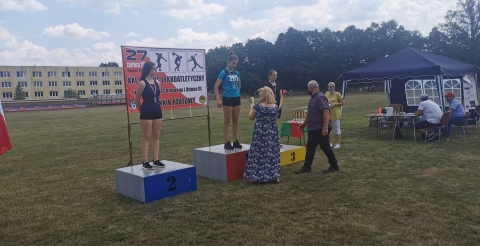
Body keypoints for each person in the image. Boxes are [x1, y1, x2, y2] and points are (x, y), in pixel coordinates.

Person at [295, 80, 339, 174]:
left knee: (325, 147)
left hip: (320, 128)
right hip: (313, 128)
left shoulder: (320, 97)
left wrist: (325, 127)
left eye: (308, 88)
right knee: (310, 147)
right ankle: (307, 167)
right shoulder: (313, 98)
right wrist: (304, 123)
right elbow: (310, 112)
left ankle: (334, 165)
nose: (308, 90)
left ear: (310, 88)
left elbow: (326, 112)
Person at [244, 86, 280, 184]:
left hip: (260, 132)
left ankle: (258, 176)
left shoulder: (258, 106)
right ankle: (274, 176)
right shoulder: (275, 107)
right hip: (272, 133)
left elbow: (251, 118)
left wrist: (251, 108)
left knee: (258, 153)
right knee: (273, 154)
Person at [135, 61, 165, 170]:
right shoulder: (142, 83)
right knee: (146, 137)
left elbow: (158, 96)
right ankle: (145, 161)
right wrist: (141, 111)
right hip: (146, 111)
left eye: (156, 69)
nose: (156, 71)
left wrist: (158, 105)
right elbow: (137, 99)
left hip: (157, 110)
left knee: (156, 136)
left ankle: (156, 159)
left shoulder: (158, 82)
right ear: (149, 70)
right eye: (154, 69)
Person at [214, 51, 242, 150]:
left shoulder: (237, 73)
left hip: (236, 98)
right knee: (227, 120)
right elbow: (216, 86)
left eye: (235, 64)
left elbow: (239, 85)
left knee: (236, 120)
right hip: (227, 98)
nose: (234, 65)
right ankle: (227, 142)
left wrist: (237, 92)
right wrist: (218, 99)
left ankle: (235, 141)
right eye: (232, 63)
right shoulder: (223, 72)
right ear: (228, 62)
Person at [325, 82, 344, 149]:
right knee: (329, 129)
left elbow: (342, 103)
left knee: (337, 128)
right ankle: (330, 143)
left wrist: (336, 104)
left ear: (334, 87)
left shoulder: (338, 94)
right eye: (329, 87)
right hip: (329, 114)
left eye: (332, 86)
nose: (330, 88)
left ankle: (338, 143)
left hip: (336, 114)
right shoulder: (326, 94)